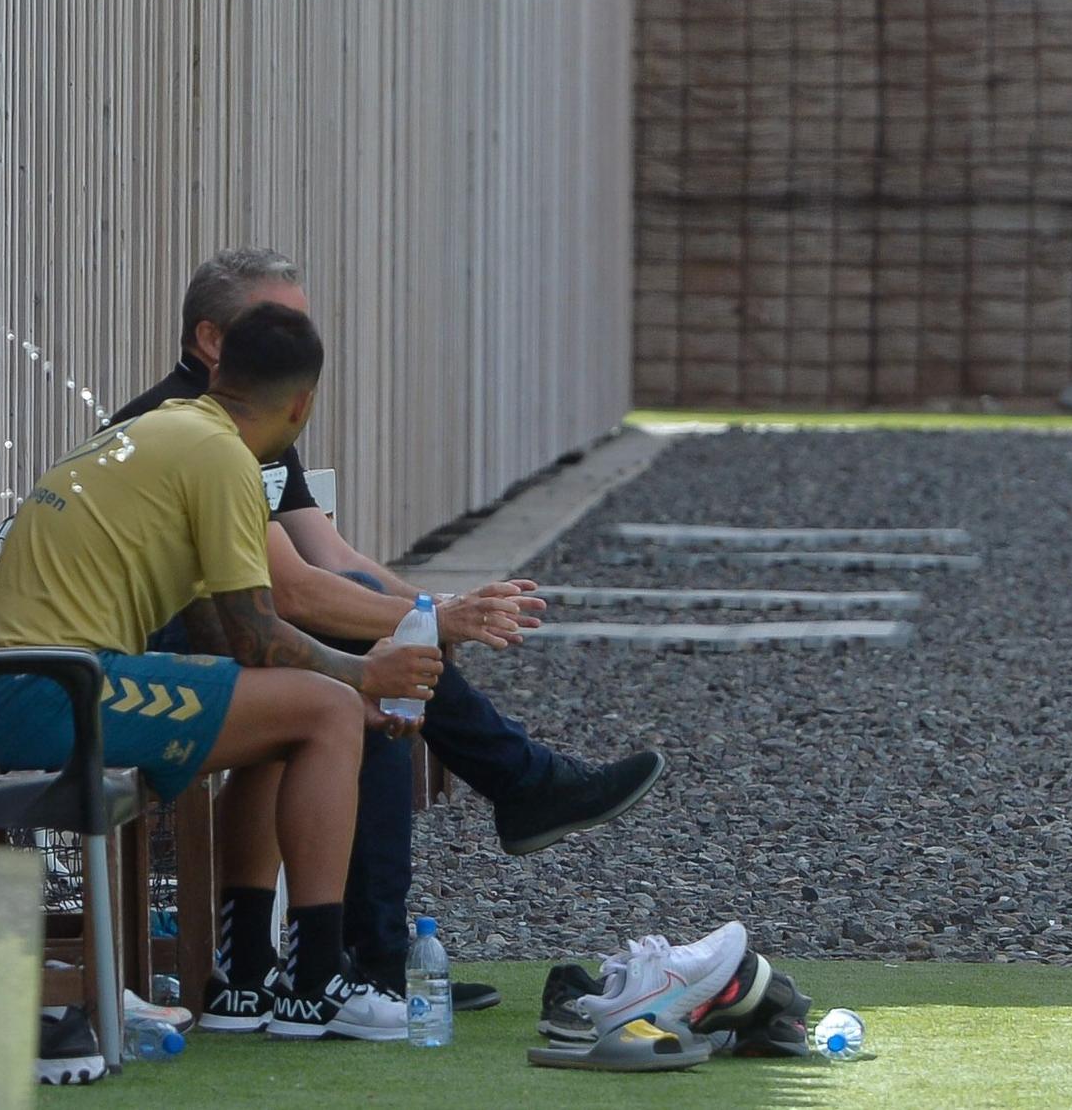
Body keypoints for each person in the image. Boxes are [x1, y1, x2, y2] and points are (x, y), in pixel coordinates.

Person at [109, 248, 666, 994]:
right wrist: (435, 620)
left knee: (378, 655)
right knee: (356, 675)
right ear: (212, 339)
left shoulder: (252, 414)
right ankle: (504, 805)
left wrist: (436, 614)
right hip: (158, 650)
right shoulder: (188, 428)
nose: (302, 343)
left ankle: (378, 954)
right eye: (278, 322)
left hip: (231, 631)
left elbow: (333, 554)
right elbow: (294, 592)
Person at [0, 305, 434, 1045]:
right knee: (327, 711)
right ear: (302, 404)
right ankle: (317, 982)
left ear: (218, 371)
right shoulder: (224, 460)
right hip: (50, 693)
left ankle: (245, 975)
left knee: (295, 718)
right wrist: (364, 678)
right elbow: (259, 632)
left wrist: (346, 687)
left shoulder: (169, 429)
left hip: (33, 685)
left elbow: (233, 646)